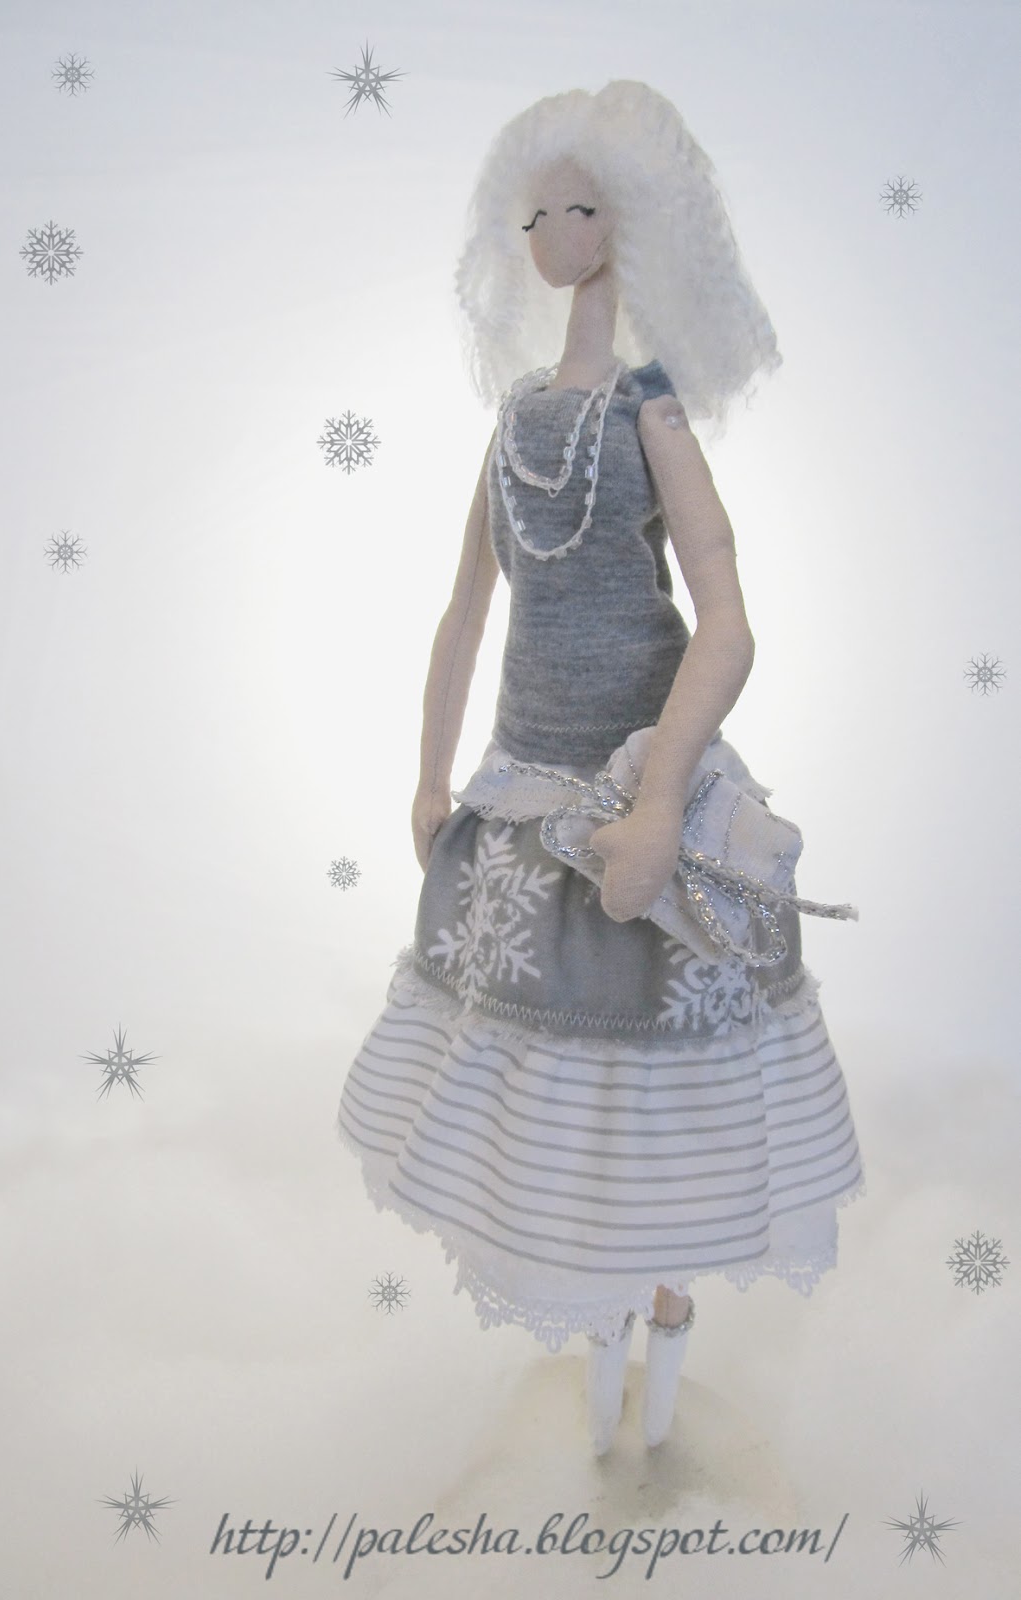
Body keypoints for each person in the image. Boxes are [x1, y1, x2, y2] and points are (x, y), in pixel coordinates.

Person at [336, 79, 864, 1456]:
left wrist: (658, 800)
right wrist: (431, 775)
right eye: (532, 217)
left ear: (633, 223)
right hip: (523, 795)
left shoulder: (652, 412)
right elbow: (464, 612)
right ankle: (596, 1411)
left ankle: (660, 1414)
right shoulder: (514, 420)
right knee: (546, 1098)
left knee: (660, 1092)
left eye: (576, 210)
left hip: (641, 791)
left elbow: (727, 619)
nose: (550, 236)